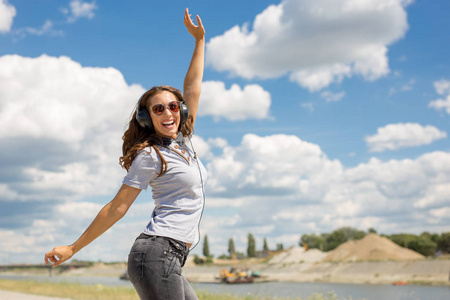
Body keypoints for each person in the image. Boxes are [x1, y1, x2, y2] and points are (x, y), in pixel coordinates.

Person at [44, 8, 206, 300]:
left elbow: (192, 88)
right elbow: (117, 207)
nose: (167, 112)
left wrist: (199, 42)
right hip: (156, 256)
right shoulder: (151, 156)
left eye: (173, 106)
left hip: (171, 257)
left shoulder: (183, 142)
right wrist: (73, 248)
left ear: (180, 112)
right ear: (148, 118)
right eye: (158, 108)